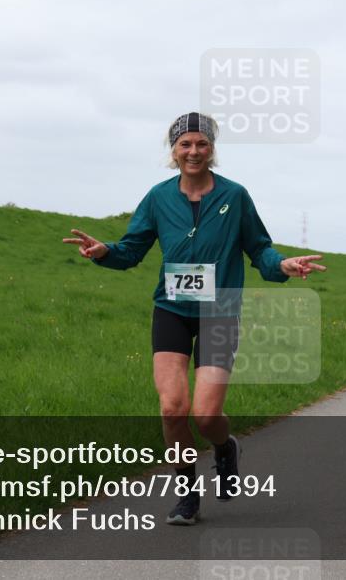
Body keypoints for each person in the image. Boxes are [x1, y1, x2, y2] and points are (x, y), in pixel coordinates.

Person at [63, 112, 326, 526]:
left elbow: (260, 251)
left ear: (212, 149)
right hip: (171, 309)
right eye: (185, 144)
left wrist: (283, 266)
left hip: (219, 312)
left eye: (201, 144)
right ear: (173, 150)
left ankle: (225, 448)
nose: (193, 151)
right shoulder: (158, 197)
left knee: (205, 415)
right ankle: (187, 496)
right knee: (172, 409)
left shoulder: (235, 196)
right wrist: (104, 252)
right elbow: (131, 249)